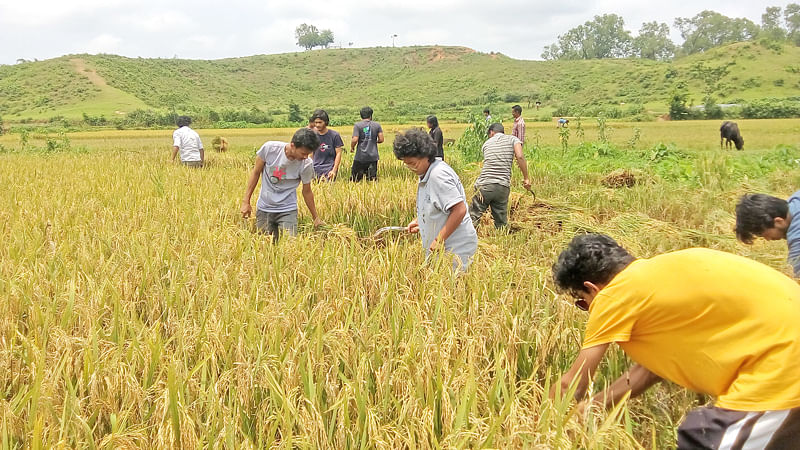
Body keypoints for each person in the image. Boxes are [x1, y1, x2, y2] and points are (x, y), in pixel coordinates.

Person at [550, 233, 800, 449]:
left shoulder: (615, 294)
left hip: (782, 369)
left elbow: (571, 385)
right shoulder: (662, 274)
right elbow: (649, 372)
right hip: (788, 356)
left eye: (583, 303)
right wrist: (593, 406)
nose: (589, 309)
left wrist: (544, 427)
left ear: (592, 287)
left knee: (703, 438)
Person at [394, 128, 477, 272]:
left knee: (451, 290)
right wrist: (421, 220)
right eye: (406, 164)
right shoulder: (427, 172)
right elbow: (437, 206)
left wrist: (439, 240)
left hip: (454, 248)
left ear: (426, 155)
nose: (410, 168)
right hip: (442, 248)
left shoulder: (438, 175)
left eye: (413, 163)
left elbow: (460, 209)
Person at [240, 128, 324, 242]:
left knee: (290, 246)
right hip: (265, 208)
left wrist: (316, 217)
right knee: (264, 248)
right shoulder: (270, 149)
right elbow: (255, 172)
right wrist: (246, 202)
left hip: (288, 210)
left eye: (308, 154)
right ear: (293, 145)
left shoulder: (306, 164)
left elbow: (307, 191)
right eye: (303, 153)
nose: (305, 157)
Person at [469, 123, 531, 229]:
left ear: (492, 132)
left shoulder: (486, 143)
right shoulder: (513, 139)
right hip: (502, 186)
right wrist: (526, 178)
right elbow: (520, 156)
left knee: (473, 217)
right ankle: (502, 235)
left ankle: (468, 238)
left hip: (484, 185)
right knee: (501, 221)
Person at [735, 192, 800, 276]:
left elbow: (795, 278)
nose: (767, 239)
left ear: (778, 221)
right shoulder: (796, 200)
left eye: (764, 234)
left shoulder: (797, 237)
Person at [350, 106, 384, 181]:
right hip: (373, 156)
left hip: (360, 156)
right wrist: (374, 141)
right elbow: (381, 139)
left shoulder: (358, 125)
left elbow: (355, 139)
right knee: (372, 179)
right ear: (371, 115)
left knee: (355, 180)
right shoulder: (377, 125)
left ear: (361, 115)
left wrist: (352, 147)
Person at [310, 109, 344, 181]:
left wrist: (334, 170)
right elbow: (311, 154)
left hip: (329, 168)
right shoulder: (312, 136)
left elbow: (338, 153)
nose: (317, 125)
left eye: (320, 122)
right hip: (316, 168)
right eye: (316, 122)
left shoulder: (334, 135)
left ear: (325, 122)